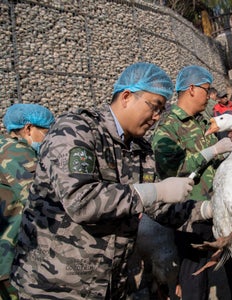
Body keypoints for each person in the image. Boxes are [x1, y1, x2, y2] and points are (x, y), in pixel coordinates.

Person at [10, 62, 196, 299]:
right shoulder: (76, 130)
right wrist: (155, 191)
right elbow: (81, 200)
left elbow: (156, 206)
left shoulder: (140, 149)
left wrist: (208, 210)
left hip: (108, 284)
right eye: (154, 106)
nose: (156, 117)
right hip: (55, 286)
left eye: (162, 110)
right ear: (127, 96)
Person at [151, 65, 232, 300]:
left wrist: (231, 148)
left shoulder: (203, 121)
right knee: (195, 276)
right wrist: (212, 151)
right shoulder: (168, 127)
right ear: (192, 89)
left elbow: (218, 161)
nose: (209, 97)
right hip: (192, 213)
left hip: (220, 207)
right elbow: (171, 169)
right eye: (206, 91)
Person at [0, 103, 54, 300]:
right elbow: (39, 198)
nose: (49, 137)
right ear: (28, 128)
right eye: (47, 131)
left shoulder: (3, 145)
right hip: (7, 253)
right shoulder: (16, 152)